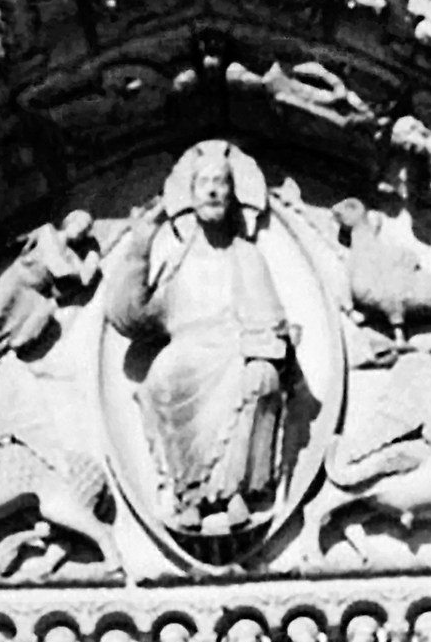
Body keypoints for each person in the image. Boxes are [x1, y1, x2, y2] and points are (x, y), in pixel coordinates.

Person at [104, 143, 293, 533]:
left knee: (261, 378)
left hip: (236, 351)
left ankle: (237, 493)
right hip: (185, 354)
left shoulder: (246, 255)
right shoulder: (176, 261)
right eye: (204, 183)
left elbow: (271, 319)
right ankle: (189, 496)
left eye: (221, 183)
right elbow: (131, 319)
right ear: (189, 198)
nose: (212, 191)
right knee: (162, 378)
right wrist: (140, 247)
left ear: (233, 195)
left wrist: (265, 349)